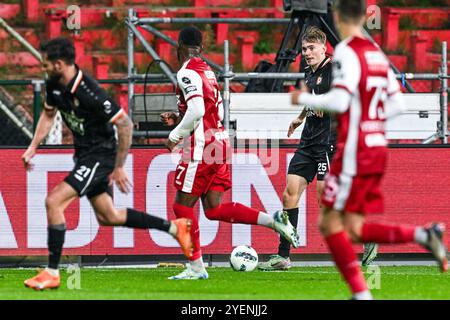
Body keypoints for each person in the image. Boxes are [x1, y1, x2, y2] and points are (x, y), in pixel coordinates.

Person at [290, 0, 447, 300]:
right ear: (364, 16)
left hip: (354, 150)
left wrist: (303, 100)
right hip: (376, 149)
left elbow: (339, 102)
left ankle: (362, 294)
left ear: (336, 16)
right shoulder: (376, 54)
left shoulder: (348, 51)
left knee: (329, 222)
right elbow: (398, 104)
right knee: (353, 228)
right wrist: (372, 123)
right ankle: (424, 235)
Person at [21, 37, 194, 291]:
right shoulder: (54, 84)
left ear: (59, 64)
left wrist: (119, 165)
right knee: (109, 216)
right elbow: (48, 114)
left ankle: (52, 272)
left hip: (100, 155)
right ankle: (174, 227)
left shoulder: (89, 91)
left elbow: (123, 123)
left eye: (45, 64)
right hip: (84, 155)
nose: (42, 67)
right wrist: (33, 146)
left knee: (53, 201)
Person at [160, 26, 300, 280]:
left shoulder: (186, 71)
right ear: (201, 48)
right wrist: (178, 117)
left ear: (178, 47)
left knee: (181, 207)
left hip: (202, 146)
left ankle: (196, 268)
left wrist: (174, 136)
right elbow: (215, 112)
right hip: (220, 142)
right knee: (213, 208)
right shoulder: (207, 71)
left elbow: (197, 111)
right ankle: (275, 220)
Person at [258, 26, 377, 271]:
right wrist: (301, 117)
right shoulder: (309, 72)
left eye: (312, 48)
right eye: (304, 49)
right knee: (289, 193)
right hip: (308, 141)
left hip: (328, 142)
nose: (307, 53)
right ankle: (283, 256)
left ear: (324, 48)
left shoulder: (335, 71)